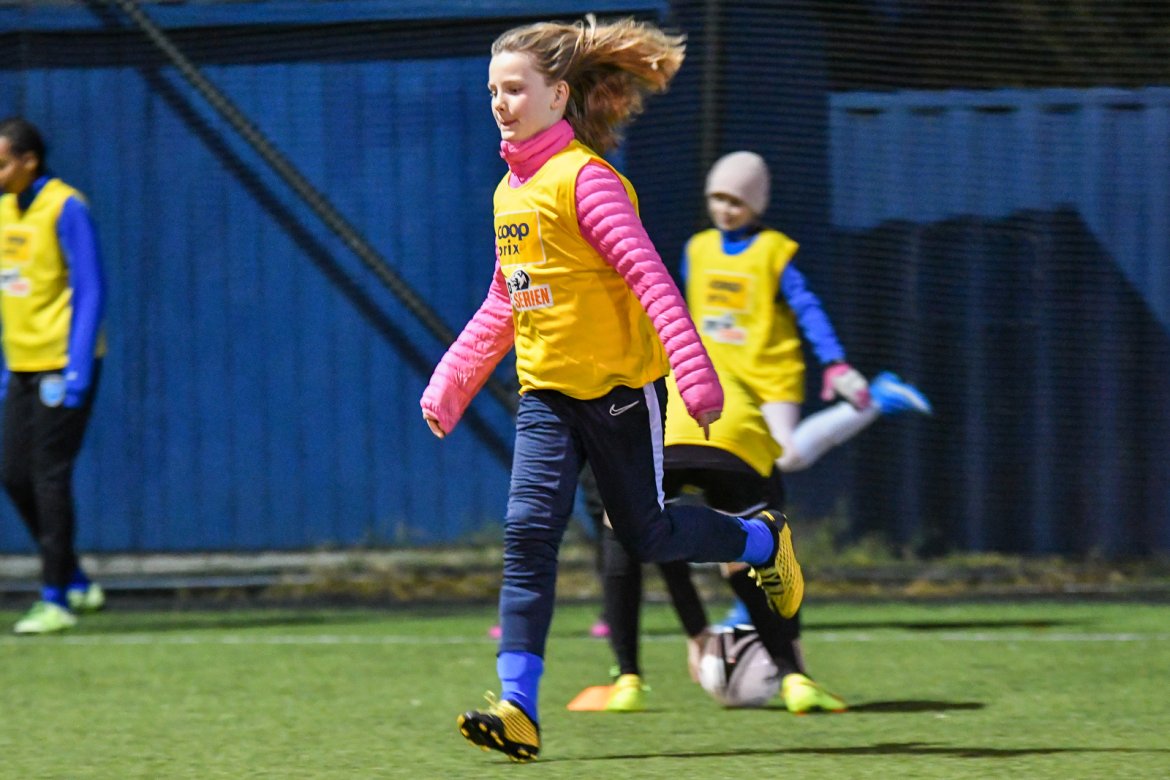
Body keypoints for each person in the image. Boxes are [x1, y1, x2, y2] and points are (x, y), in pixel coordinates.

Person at [420, 16, 803, 763]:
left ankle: (761, 538)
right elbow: (506, 299)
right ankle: (519, 707)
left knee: (646, 535)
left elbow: (650, 279)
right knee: (528, 535)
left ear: (558, 95)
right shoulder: (509, 193)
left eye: (514, 89)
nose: (500, 103)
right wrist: (452, 380)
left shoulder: (586, 182)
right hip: (547, 396)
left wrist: (693, 372)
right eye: (492, 91)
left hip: (621, 393)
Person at [698, 150, 932, 627]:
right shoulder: (698, 249)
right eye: (718, 198)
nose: (725, 209)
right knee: (729, 495)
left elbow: (807, 308)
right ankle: (748, 601)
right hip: (723, 390)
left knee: (784, 458)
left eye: (737, 201)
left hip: (771, 379)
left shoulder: (773, 252)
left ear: (756, 205)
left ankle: (875, 400)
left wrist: (835, 362)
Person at [600, 372, 846, 715]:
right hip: (736, 436)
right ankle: (795, 678)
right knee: (758, 547)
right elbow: (779, 564)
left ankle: (628, 680)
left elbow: (662, 548)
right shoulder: (738, 364)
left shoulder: (649, 362)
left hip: (662, 433)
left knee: (622, 533)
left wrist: (696, 631)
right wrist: (791, 639)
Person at [0, 117, 107, 635]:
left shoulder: (66, 206)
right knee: (12, 474)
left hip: (61, 364)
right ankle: (74, 576)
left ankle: (55, 599)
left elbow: (90, 288)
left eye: (2, 163)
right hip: (21, 365)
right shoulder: (4, 211)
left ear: (29, 161)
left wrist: (77, 369)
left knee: (48, 476)